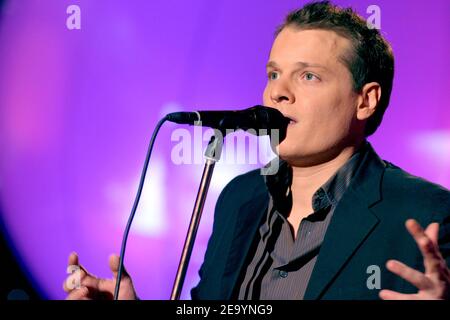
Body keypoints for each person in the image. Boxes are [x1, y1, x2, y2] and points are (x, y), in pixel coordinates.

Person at [63, 1, 450, 300]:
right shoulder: (239, 198)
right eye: (273, 74)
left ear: (365, 101)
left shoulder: (426, 213)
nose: (277, 92)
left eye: (308, 75)